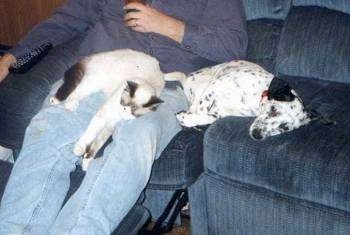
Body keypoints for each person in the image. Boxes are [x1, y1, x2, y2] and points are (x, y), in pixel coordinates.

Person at [0, 0, 247, 233]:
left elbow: (233, 45)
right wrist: (12, 57)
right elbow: (66, 20)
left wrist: (169, 26)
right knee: (50, 128)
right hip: (101, 72)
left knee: (137, 137)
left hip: (165, 84)